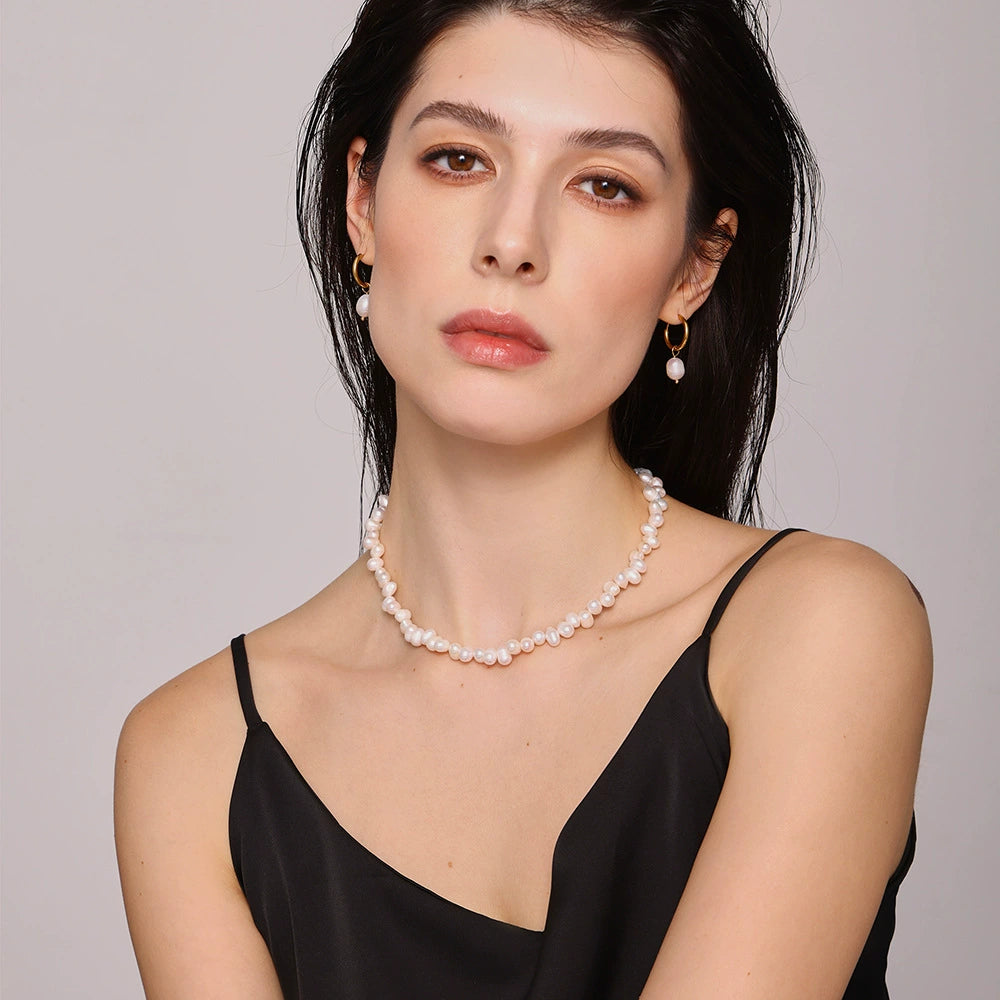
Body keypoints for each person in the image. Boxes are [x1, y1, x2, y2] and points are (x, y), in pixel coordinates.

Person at [113, 1, 932, 997]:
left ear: (693, 267)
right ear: (362, 199)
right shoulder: (193, 754)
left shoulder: (819, 626)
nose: (512, 242)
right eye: (459, 159)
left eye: (604, 184)